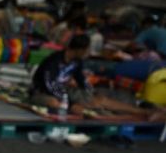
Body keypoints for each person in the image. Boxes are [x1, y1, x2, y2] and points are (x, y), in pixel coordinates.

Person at [30, 35, 164, 119]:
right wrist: (71, 103)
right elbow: (49, 86)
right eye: (87, 49)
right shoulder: (53, 61)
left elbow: (81, 80)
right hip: (43, 91)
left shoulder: (77, 61)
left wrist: (89, 92)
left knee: (100, 99)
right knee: (56, 104)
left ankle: (145, 112)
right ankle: (101, 113)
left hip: (65, 90)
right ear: (80, 50)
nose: (88, 52)